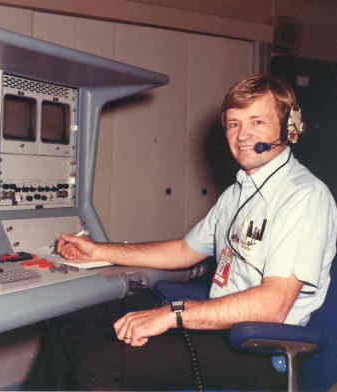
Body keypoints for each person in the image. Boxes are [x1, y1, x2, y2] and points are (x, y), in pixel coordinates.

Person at [24, 74, 337, 390]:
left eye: (257, 122)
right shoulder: (238, 193)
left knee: (101, 364)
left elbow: (272, 305)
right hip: (218, 329)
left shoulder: (304, 197)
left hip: (259, 348)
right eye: (234, 124)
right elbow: (184, 250)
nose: (242, 135)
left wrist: (172, 314)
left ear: (289, 129)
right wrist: (99, 250)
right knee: (72, 324)